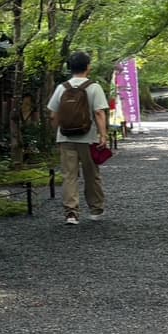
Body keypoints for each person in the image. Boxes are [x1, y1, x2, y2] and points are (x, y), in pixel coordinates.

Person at [45, 52, 111, 226]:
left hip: (65, 138)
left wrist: (57, 134)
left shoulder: (62, 87)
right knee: (92, 174)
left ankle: (71, 213)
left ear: (70, 67)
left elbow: (53, 115)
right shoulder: (93, 87)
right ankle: (96, 209)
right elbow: (99, 112)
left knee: (69, 176)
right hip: (88, 138)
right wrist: (103, 135)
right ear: (88, 67)